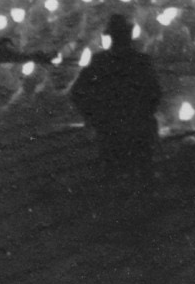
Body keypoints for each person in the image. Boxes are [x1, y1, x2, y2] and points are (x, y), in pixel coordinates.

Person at [68, 12, 160, 175]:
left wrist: (94, 118)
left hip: (111, 130)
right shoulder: (141, 61)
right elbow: (155, 94)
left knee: (114, 174)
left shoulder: (100, 61)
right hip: (136, 130)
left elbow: (77, 93)